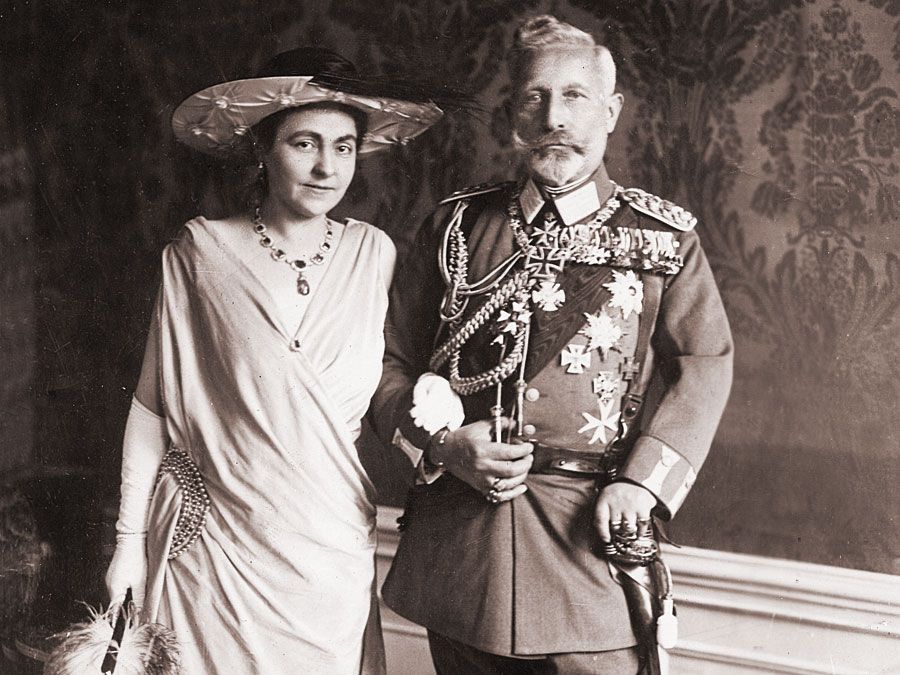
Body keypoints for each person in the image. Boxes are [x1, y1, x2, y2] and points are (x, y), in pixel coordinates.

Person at [370, 15, 733, 674]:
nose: (554, 117)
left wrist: (642, 487)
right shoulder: (455, 227)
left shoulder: (662, 239)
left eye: (575, 97)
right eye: (535, 97)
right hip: (464, 548)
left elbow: (706, 364)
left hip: (590, 539)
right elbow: (389, 361)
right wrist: (444, 446)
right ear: (510, 113)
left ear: (612, 111)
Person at [103, 47, 443, 674]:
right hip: (219, 556)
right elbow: (151, 410)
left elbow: (388, 392)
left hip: (328, 554)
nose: (326, 167)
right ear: (262, 148)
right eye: (304, 143)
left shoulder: (375, 254)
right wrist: (127, 547)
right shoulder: (200, 254)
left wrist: (436, 411)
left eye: (343, 147)